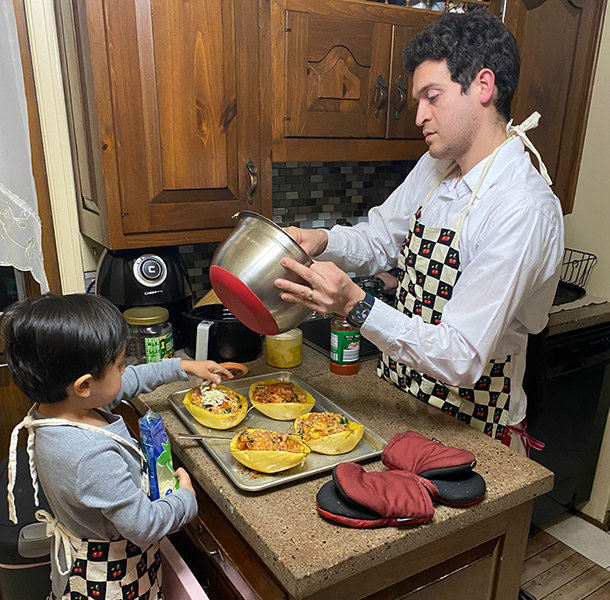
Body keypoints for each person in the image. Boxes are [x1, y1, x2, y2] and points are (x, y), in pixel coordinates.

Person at [275, 9, 564, 455]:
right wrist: (324, 240)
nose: (419, 117)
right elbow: (379, 239)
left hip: (475, 426)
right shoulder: (436, 166)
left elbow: (462, 356)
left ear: (483, 87)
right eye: (417, 101)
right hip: (403, 397)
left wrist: (355, 303)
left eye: (433, 97)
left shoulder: (520, 208)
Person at [1, 293, 233, 600]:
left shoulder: (63, 407)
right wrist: (186, 500)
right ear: (84, 385)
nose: (126, 370)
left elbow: (132, 380)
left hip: (84, 552)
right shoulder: (90, 455)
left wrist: (185, 366)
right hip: (111, 580)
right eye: (120, 364)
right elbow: (144, 525)